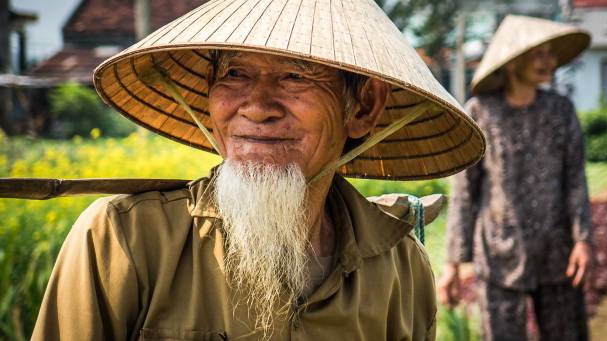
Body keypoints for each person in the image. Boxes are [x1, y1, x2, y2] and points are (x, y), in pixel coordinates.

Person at [31, 1, 486, 340]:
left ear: (363, 106)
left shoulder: (401, 267)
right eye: (233, 74)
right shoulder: (123, 242)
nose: (257, 106)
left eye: (296, 75)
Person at [437, 15, 593, 341]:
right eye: (538, 53)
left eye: (550, 53)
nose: (548, 61)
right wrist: (452, 264)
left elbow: (575, 178)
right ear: (510, 62)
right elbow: (465, 192)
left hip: (557, 251)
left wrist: (582, 239)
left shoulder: (560, 111)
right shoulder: (480, 112)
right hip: (497, 253)